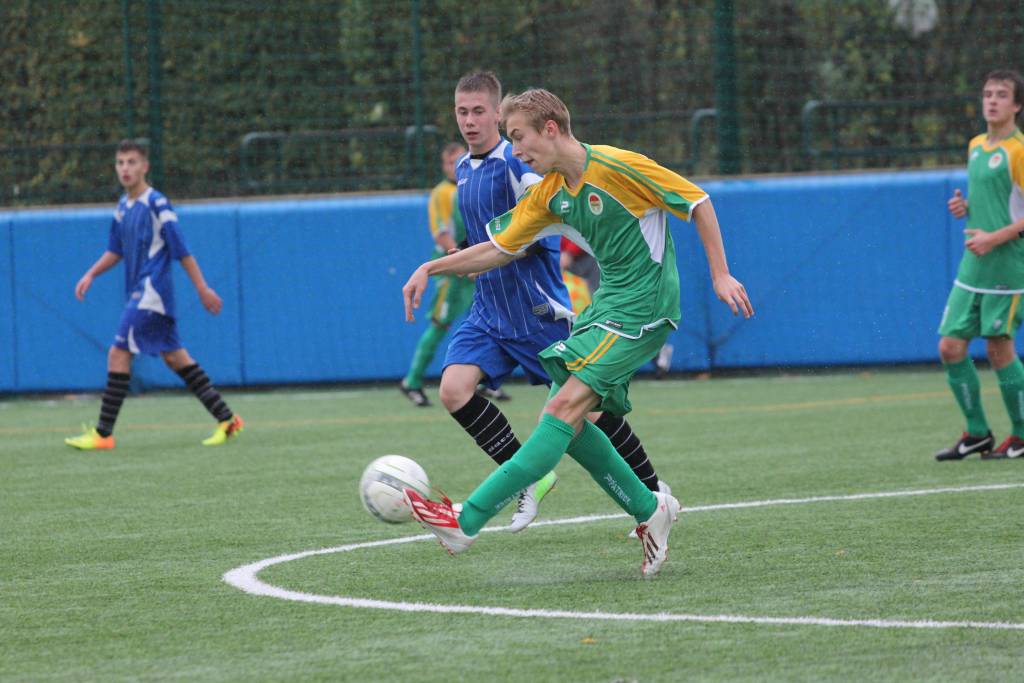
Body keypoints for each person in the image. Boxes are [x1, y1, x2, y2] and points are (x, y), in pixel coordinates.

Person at [402, 88, 753, 576]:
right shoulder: (548, 192)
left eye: (519, 137)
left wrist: (720, 273)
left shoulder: (618, 166)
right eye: (509, 139)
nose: (516, 149)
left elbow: (697, 202)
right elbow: (498, 248)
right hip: (605, 308)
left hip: (645, 309)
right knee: (574, 422)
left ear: (550, 127)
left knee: (561, 409)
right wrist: (432, 266)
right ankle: (651, 510)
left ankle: (468, 520)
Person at [426, 72, 672, 533]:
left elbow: (532, 234)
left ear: (498, 114)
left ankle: (654, 491)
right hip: (488, 313)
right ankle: (528, 485)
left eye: (479, 111)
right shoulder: (462, 169)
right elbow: (485, 236)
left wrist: (486, 257)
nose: (470, 120)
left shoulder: (520, 164)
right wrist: (462, 256)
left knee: (591, 412)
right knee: (453, 389)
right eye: (462, 112)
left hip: (536, 310)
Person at [64, 140, 243, 450]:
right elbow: (115, 250)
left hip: (152, 293)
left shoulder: (157, 203)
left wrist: (202, 288)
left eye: (132, 162)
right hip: (141, 293)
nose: (125, 169)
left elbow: (181, 250)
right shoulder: (123, 206)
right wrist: (91, 273)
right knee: (176, 358)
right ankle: (227, 420)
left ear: (145, 166)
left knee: (118, 353)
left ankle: (103, 434)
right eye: (120, 163)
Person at [935, 69, 1024, 462]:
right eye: (987, 93)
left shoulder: (1019, 151)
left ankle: (1021, 436)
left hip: (1007, 267)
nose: (991, 100)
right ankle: (977, 433)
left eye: (1001, 95)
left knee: (999, 351)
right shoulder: (975, 146)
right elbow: (997, 202)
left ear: (1016, 106)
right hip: (973, 267)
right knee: (950, 347)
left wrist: (993, 237)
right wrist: (966, 209)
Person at [399, 142, 474, 407]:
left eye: (459, 160)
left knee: (484, 321)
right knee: (441, 323)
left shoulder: (475, 183)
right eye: (450, 162)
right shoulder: (442, 193)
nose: (455, 167)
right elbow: (442, 233)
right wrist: (462, 259)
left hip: (473, 265)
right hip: (453, 268)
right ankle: (412, 381)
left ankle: (486, 381)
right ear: (443, 166)